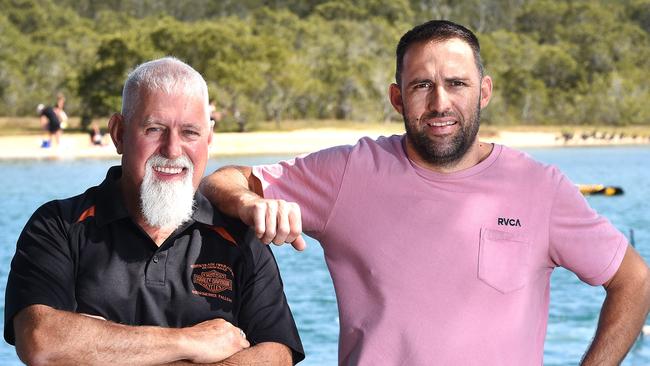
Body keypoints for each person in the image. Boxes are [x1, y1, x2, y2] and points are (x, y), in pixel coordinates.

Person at [200, 20, 650, 365]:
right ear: (398, 98)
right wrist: (251, 203)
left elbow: (633, 280)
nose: (440, 103)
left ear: (484, 92)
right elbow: (222, 180)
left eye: (457, 84)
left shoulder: (541, 187)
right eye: (422, 85)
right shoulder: (348, 172)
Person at [6, 57, 304, 365]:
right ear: (119, 133)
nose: (172, 149)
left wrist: (99, 343)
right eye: (154, 129)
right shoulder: (58, 226)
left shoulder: (240, 236)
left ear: (210, 138)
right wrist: (192, 341)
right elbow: (41, 340)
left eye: (190, 132)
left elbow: (276, 354)